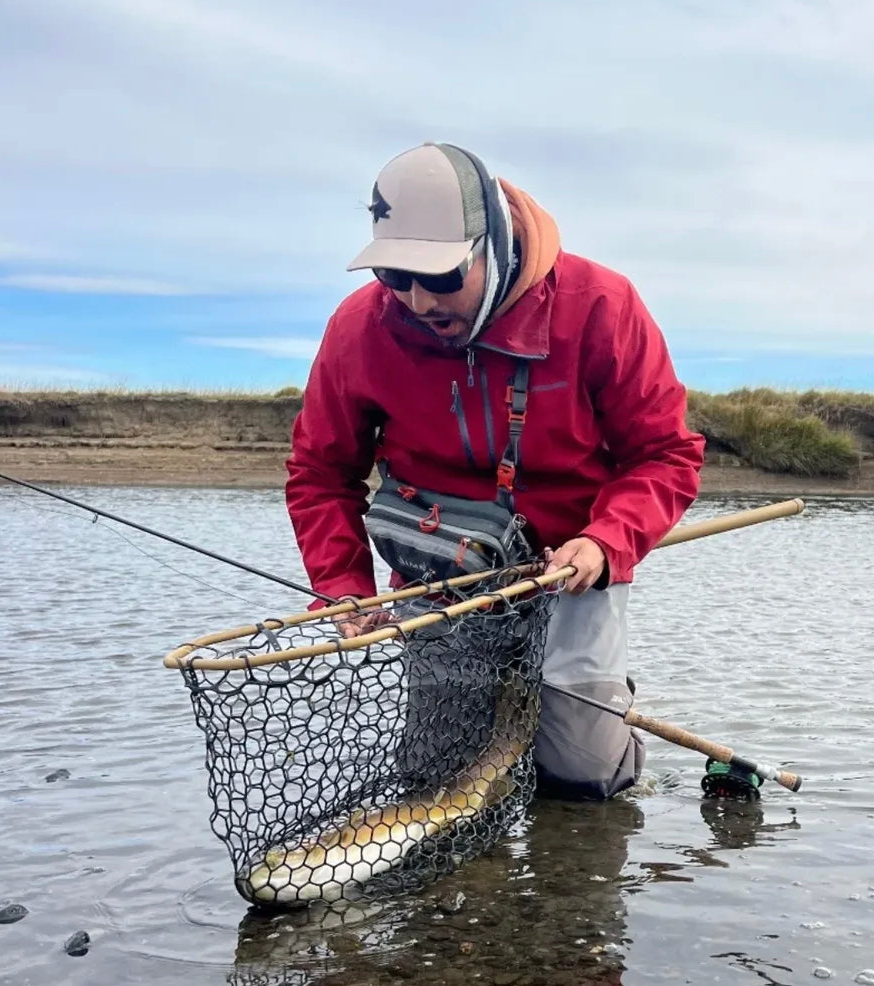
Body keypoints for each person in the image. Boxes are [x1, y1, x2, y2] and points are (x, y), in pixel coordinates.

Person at [285, 141, 705, 800]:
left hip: (570, 570)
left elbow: (666, 454)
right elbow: (319, 471)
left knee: (581, 780)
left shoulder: (602, 306)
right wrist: (342, 583)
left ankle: (593, 727)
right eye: (395, 277)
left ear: (496, 244)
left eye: (443, 276)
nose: (419, 300)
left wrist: (607, 540)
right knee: (438, 776)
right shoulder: (359, 331)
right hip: (439, 574)